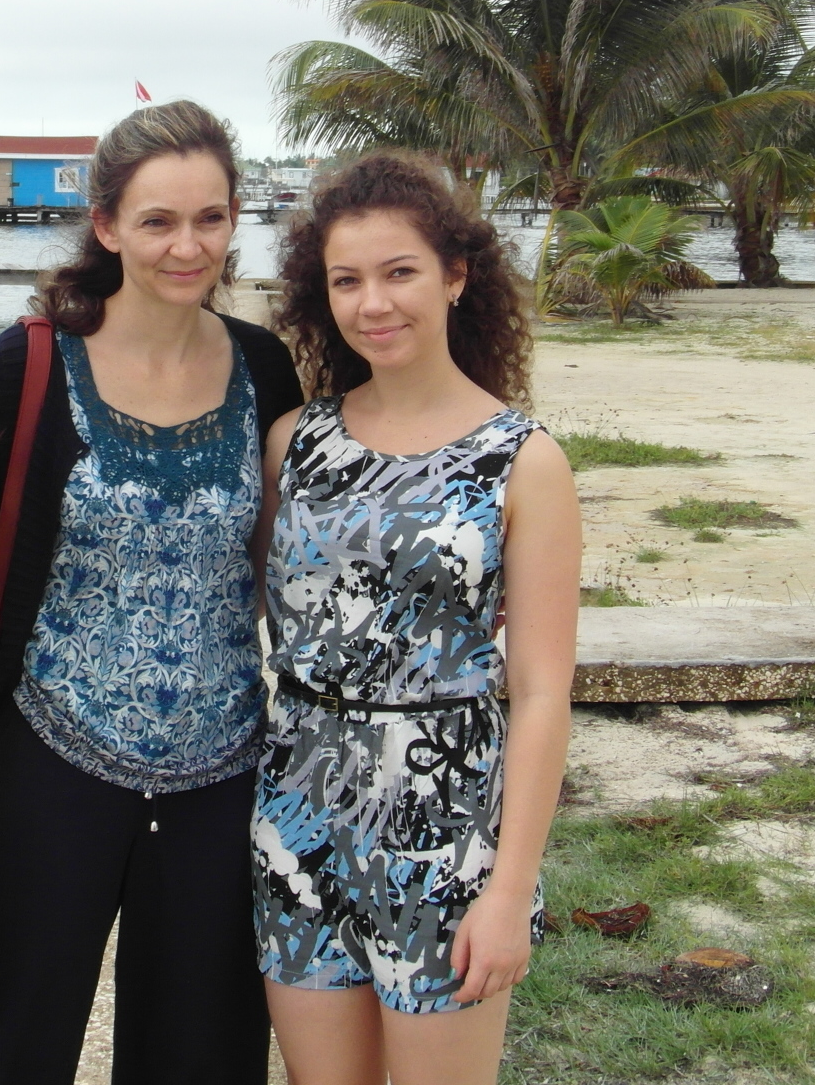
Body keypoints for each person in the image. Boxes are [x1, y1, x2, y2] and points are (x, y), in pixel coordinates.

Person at [0, 100, 303, 1085]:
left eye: (211, 218)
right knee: (5, 1047)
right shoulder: (33, 361)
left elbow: (292, 553)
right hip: (48, 759)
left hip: (224, 770)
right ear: (106, 226)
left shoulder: (265, 367)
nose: (189, 246)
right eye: (158, 221)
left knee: (205, 1055)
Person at [254, 153, 580, 1085]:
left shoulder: (522, 461)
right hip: (296, 815)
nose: (373, 304)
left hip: (448, 827)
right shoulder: (294, 442)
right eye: (346, 281)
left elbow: (543, 692)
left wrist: (509, 891)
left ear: (456, 275)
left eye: (400, 272)